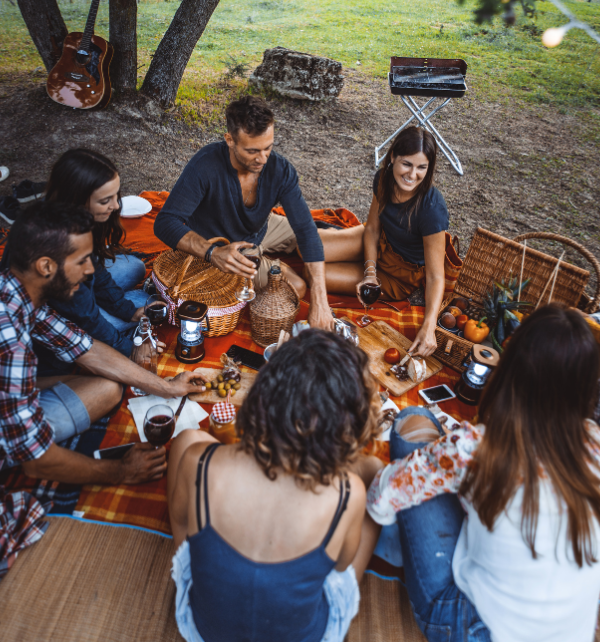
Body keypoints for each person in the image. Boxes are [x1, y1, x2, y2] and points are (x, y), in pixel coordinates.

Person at [366, 305, 600, 642]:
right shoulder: (592, 444)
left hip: (469, 627)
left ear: (511, 367)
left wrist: (440, 463)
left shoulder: (477, 447)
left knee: (412, 421)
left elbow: (381, 499)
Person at [0, 201, 202, 573]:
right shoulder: (9, 336)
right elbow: (36, 460)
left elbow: (88, 350)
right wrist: (121, 472)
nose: (92, 269)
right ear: (46, 266)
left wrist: (167, 387)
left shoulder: (20, 293)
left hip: (16, 390)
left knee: (110, 385)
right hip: (16, 441)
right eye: (83, 260)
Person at [167, 329, 383, 642]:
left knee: (186, 439)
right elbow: (339, 567)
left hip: (205, 630)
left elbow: (182, 521)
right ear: (346, 424)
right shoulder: (347, 493)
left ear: (261, 395)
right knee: (377, 476)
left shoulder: (199, 462)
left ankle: (199, 578)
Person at [154, 96, 333, 330]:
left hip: (261, 227)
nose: (263, 158)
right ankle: (274, 264)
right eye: (252, 151)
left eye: (268, 148)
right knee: (297, 287)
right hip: (226, 247)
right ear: (230, 140)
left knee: (320, 234)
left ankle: (377, 247)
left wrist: (321, 300)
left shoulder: (280, 169)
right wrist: (212, 252)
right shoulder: (206, 165)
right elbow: (166, 222)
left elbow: (306, 231)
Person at [1, 149, 154, 371]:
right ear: (79, 199)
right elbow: (85, 318)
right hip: (64, 310)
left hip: (67, 303)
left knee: (135, 269)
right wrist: (128, 350)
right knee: (142, 302)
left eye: (116, 196)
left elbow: (96, 273)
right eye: (105, 200)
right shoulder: (56, 246)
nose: (117, 206)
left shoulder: (75, 223)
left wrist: (126, 310)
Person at [319, 126, 461, 356]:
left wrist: (429, 326)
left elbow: (435, 276)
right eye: (407, 164)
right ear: (393, 156)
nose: (412, 175)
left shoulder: (432, 209)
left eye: (421, 167)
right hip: (376, 243)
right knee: (307, 248)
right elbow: (373, 229)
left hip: (398, 274)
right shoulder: (384, 178)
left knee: (313, 273)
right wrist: (369, 272)